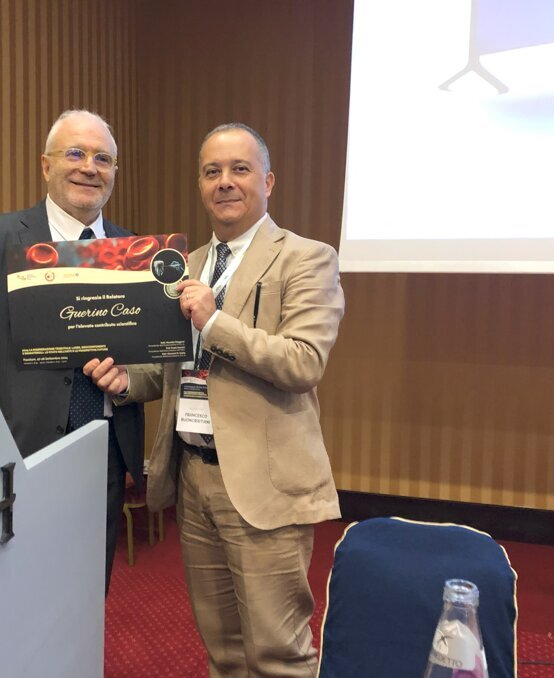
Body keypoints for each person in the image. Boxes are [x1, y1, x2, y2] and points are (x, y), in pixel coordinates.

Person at [85, 122, 345, 676]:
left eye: (239, 169)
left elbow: (303, 362)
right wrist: (127, 382)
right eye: (212, 172)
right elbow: (172, 367)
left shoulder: (307, 257)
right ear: (201, 185)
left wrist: (214, 320)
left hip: (263, 483)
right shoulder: (184, 263)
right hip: (194, 477)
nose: (225, 181)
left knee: (278, 654)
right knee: (222, 650)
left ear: (267, 182)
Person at [0, 109, 144, 596]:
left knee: (88, 593)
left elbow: (147, 356)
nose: (89, 167)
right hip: (17, 453)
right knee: (19, 595)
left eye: (103, 158)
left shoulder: (133, 250)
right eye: (75, 153)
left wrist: (132, 374)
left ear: (115, 172)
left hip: (105, 453)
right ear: (46, 165)